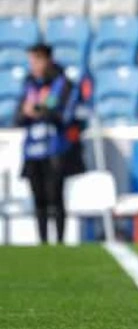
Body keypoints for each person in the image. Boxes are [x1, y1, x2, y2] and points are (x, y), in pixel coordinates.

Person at [14, 43, 73, 245]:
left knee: (55, 197)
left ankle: (60, 242)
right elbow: (18, 117)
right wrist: (27, 112)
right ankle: (43, 242)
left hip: (54, 149)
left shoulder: (61, 82)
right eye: (32, 61)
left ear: (47, 60)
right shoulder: (29, 84)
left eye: (37, 60)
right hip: (32, 150)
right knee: (38, 199)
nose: (34, 65)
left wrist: (39, 109)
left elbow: (62, 114)